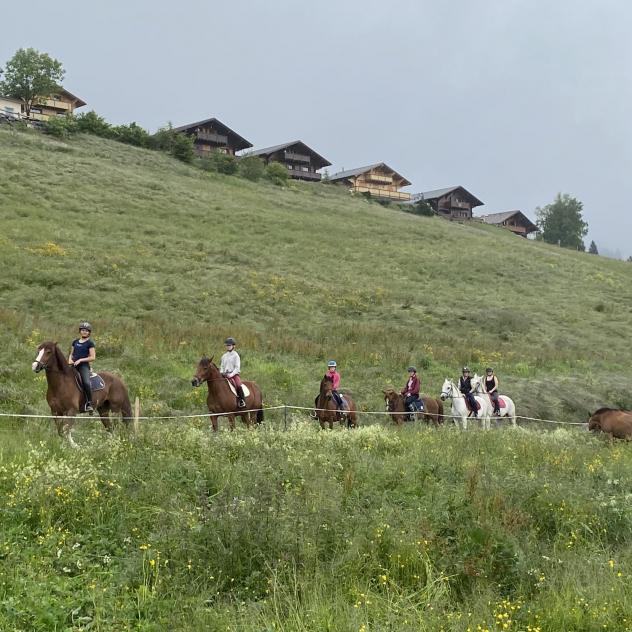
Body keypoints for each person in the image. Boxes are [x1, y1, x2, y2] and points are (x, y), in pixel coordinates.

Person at [68, 321, 96, 413]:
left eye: (86, 331)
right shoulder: (75, 342)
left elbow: (92, 357)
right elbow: (71, 354)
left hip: (83, 366)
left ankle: (89, 403)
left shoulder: (90, 343)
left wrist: (80, 360)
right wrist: (70, 360)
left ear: (89, 332)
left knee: (86, 383)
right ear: (80, 331)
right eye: (83, 330)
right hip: (73, 365)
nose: (84, 332)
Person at [220, 337, 246, 407]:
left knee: (238, 385)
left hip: (234, 375)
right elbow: (222, 366)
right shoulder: (224, 356)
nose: (228, 347)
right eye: (227, 345)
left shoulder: (236, 356)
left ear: (233, 346)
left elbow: (237, 368)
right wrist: (222, 372)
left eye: (229, 345)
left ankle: (242, 400)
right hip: (225, 375)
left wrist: (231, 375)